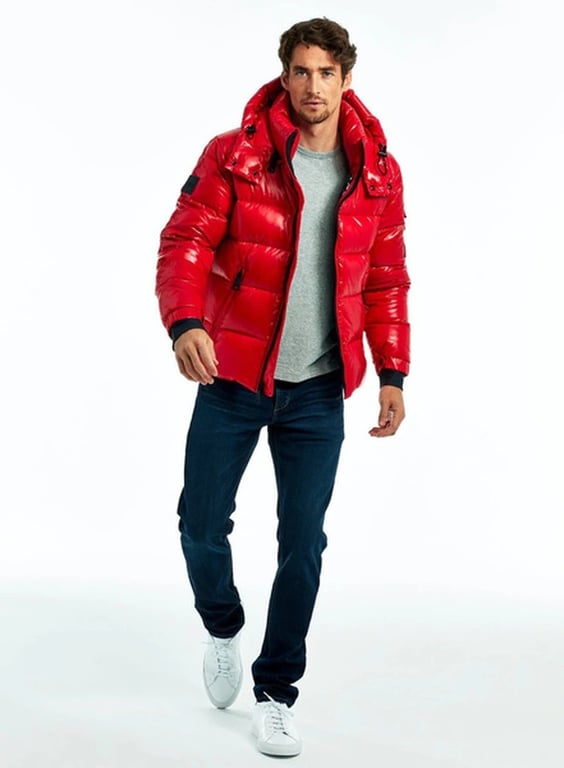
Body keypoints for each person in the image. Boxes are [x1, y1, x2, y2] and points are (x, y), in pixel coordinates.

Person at [156, 17, 410, 758]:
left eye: (326, 72)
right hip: (233, 375)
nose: (312, 86)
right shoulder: (235, 155)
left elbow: (387, 276)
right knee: (200, 524)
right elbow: (185, 240)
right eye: (301, 71)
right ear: (284, 74)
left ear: (347, 79)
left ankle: (275, 693)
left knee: (303, 544)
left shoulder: (377, 172)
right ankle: (223, 626)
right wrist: (185, 322)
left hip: (319, 390)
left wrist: (392, 371)